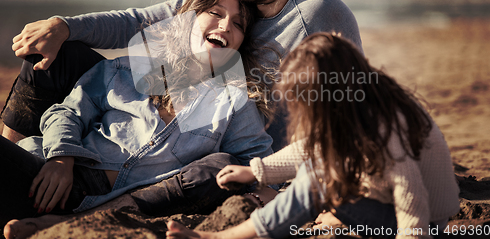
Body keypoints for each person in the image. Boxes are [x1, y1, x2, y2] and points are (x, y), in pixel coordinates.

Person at [2, 0, 363, 152]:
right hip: (164, 106)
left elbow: (353, 107)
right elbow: (139, 22)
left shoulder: (319, 16)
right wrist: (64, 25)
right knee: (50, 56)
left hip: (223, 141)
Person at [0, 0, 274, 231]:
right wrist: (61, 158)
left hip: (119, 204)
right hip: (53, 175)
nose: (226, 26)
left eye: (238, 24)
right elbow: (68, 112)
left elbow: (261, 169)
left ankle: (68, 223)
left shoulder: (234, 103)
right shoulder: (128, 69)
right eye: (215, 13)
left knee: (221, 165)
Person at [166, 33, 460, 239]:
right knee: (317, 173)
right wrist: (254, 171)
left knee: (318, 180)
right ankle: (337, 213)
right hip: (388, 207)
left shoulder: (383, 128)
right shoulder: (365, 96)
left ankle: (221, 238)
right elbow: (312, 147)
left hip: (421, 225)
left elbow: (413, 199)